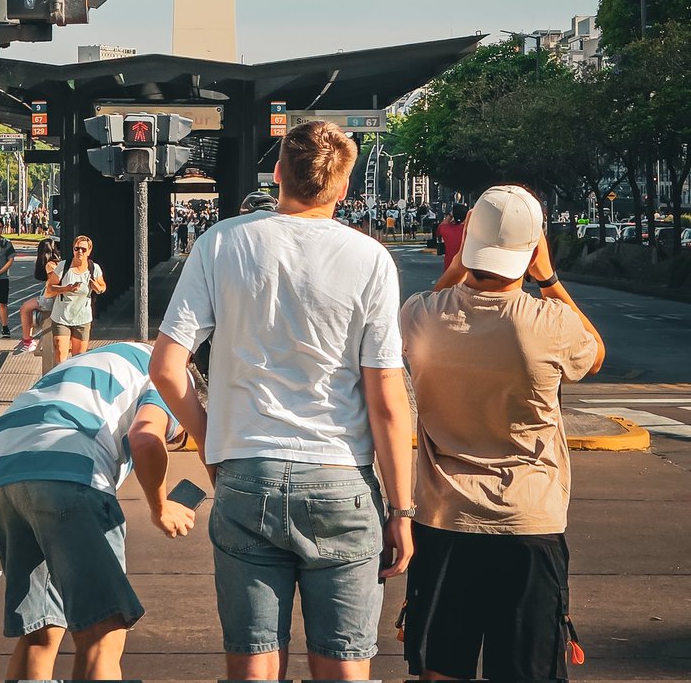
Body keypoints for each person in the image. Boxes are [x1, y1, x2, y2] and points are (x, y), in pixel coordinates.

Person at [150, 119, 414, 683]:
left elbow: (167, 368)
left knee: (253, 664)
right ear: (343, 187)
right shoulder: (370, 260)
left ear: (277, 176)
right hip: (341, 476)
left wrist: (213, 446)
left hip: (247, 472)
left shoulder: (221, 242)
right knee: (343, 666)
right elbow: (387, 399)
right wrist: (402, 510)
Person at [400, 184, 606, 683]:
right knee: (526, 673)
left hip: (444, 519)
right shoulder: (550, 322)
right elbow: (594, 354)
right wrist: (550, 278)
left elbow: (438, 291)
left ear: (469, 241)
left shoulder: (421, 316)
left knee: (440, 669)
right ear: (534, 246)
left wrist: (459, 264)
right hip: (530, 525)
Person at [0, 341, 197, 682]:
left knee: (41, 632)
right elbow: (146, 439)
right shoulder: (170, 376)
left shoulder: (98, 360)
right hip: (70, 474)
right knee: (103, 633)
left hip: (5, 473)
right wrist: (161, 508)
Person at [38, 234, 105, 365]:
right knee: (61, 355)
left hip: (82, 318)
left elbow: (102, 286)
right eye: (77, 248)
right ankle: (60, 381)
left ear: (89, 251)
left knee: (79, 359)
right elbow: (48, 290)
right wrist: (65, 289)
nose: (80, 251)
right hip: (62, 317)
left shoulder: (93, 268)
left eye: (83, 249)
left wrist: (97, 287)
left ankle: (75, 383)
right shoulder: (63, 266)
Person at [12, 237, 62, 354]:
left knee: (25, 308)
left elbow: (55, 281)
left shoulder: (50, 265)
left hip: (49, 299)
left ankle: (27, 341)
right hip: (53, 298)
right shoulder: (58, 262)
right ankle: (27, 339)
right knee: (28, 308)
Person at [0, 217, 17, 338]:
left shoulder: (6, 243)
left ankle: (5, 326)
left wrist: (0, 271)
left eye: (0, 227)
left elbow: (11, 259)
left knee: (2, 303)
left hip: (2, 278)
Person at [436, 201, 468, 269]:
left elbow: (440, 227)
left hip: (449, 269)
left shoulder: (445, 229)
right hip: (467, 270)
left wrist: (449, 215)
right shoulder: (470, 230)